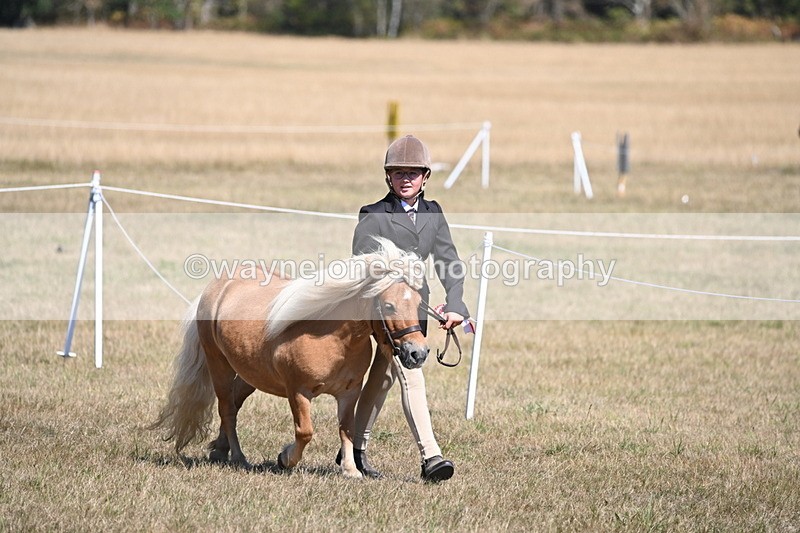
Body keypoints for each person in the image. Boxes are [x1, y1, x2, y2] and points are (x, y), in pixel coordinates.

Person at [346, 134, 470, 482]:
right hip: (387, 315)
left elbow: (449, 262)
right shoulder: (373, 215)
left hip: (417, 310)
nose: (405, 179)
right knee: (410, 376)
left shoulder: (434, 213)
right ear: (388, 177)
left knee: (382, 378)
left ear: (425, 177)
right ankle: (431, 456)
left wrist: (456, 304)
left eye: (413, 173)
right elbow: (362, 267)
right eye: (398, 173)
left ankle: (354, 450)